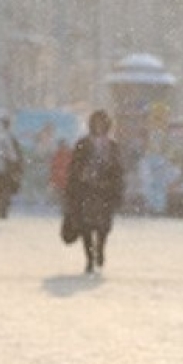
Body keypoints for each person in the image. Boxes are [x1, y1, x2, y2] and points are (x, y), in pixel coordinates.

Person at [65, 110, 125, 275]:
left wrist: (114, 186)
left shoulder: (112, 146)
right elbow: (74, 166)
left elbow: (119, 169)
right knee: (86, 226)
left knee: (103, 226)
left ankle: (100, 249)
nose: (99, 126)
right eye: (96, 122)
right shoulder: (83, 143)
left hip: (105, 191)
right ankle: (89, 258)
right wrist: (79, 178)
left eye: (102, 122)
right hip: (86, 190)